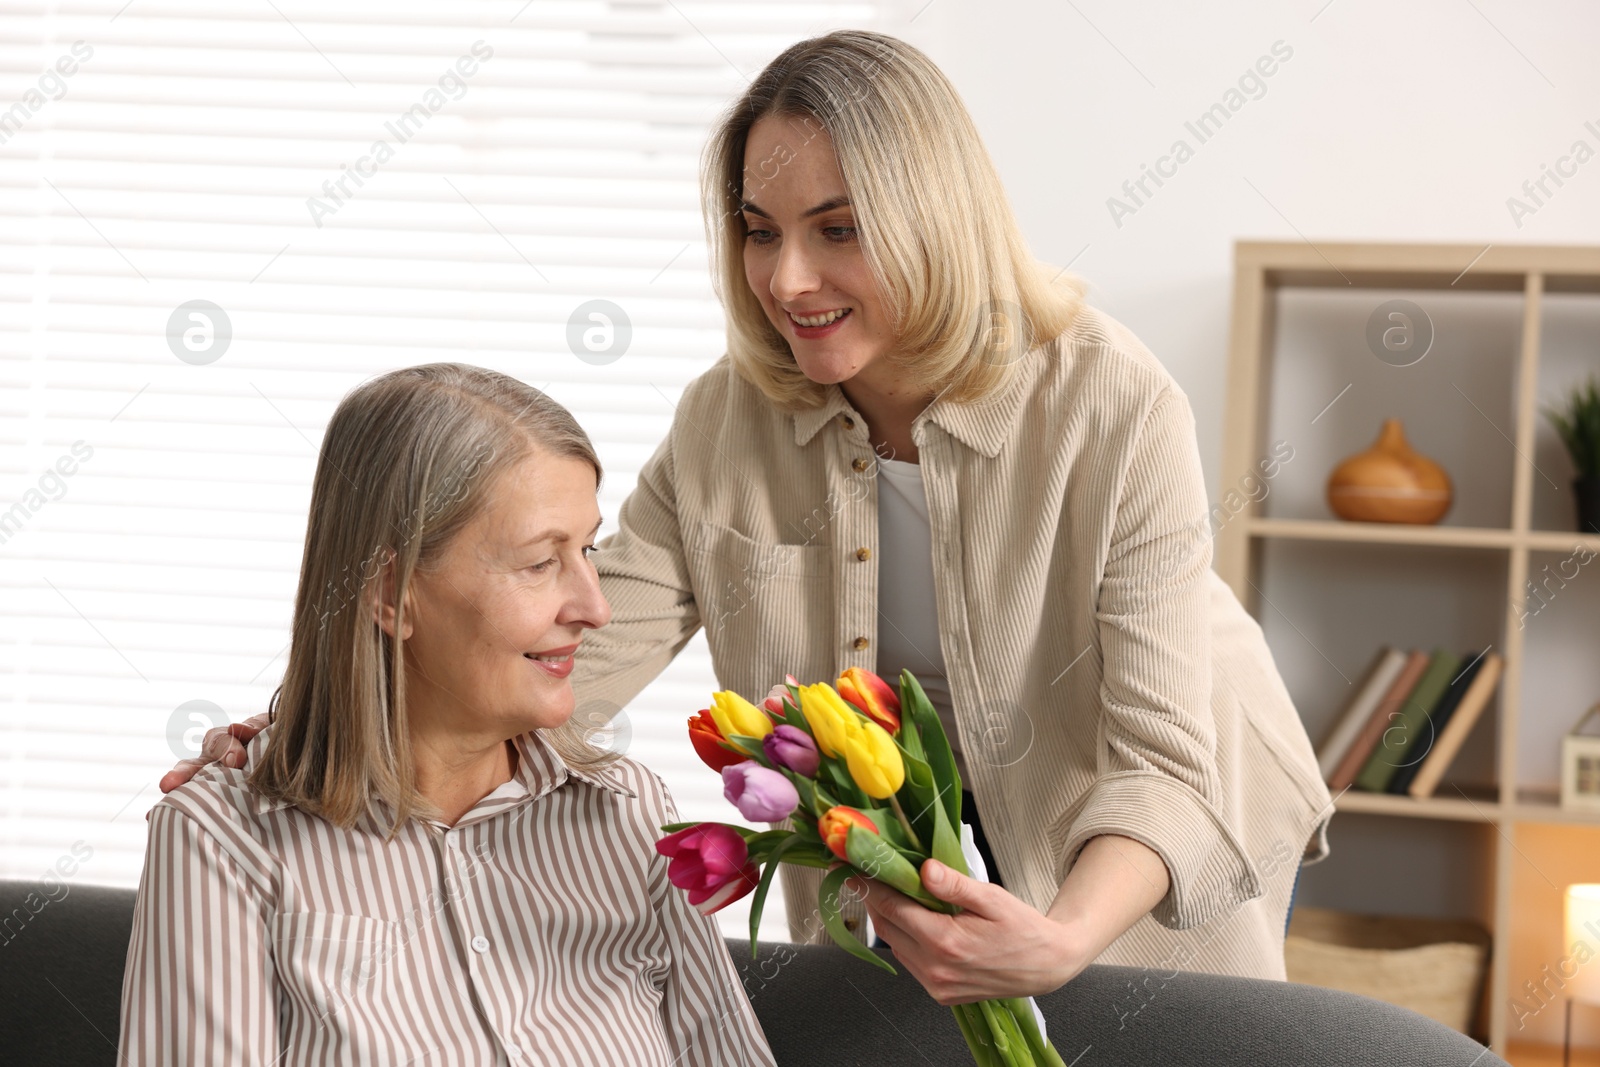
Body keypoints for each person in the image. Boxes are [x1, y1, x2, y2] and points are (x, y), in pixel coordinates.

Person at [162, 28, 1333, 1008]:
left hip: (1150, 793)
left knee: (1140, 1018)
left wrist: (1068, 932)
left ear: (934, 219)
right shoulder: (729, 417)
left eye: (837, 228)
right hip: (909, 804)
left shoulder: (1113, 405)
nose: (785, 281)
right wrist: (316, 719)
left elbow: (1165, 761)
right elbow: (588, 628)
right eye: (758, 229)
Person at [123, 366, 775, 1064]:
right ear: (389, 593)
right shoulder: (223, 840)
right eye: (537, 563)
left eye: (586, 549)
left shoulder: (627, 811)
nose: (596, 606)